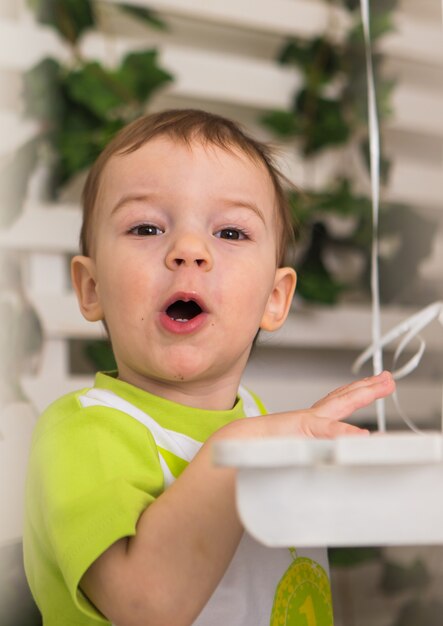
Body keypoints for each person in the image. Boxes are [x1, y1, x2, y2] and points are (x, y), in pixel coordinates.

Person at [23, 109, 395, 626]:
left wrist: (335, 464)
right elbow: (146, 605)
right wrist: (246, 449)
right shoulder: (79, 434)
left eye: (231, 233)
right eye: (147, 227)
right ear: (91, 288)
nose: (189, 251)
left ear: (274, 297)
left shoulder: (262, 420)